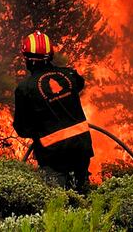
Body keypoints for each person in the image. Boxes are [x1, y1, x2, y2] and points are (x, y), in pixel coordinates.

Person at [12, 31, 93, 192]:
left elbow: (22, 129)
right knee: (83, 195)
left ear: (28, 59)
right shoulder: (70, 75)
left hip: (53, 156)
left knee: (56, 203)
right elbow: (80, 85)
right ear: (51, 55)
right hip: (81, 148)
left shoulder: (25, 88)